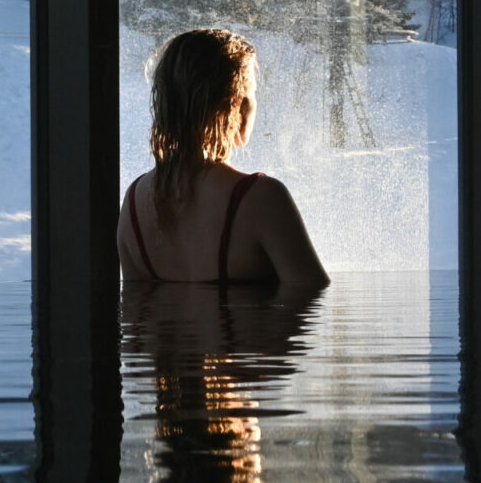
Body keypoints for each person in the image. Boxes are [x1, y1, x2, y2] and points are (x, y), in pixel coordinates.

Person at [118, 28, 328, 288]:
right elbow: (311, 300)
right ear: (234, 105)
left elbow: (136, 315)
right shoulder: (261, 198)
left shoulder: (133, 205)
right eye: (251, 96)